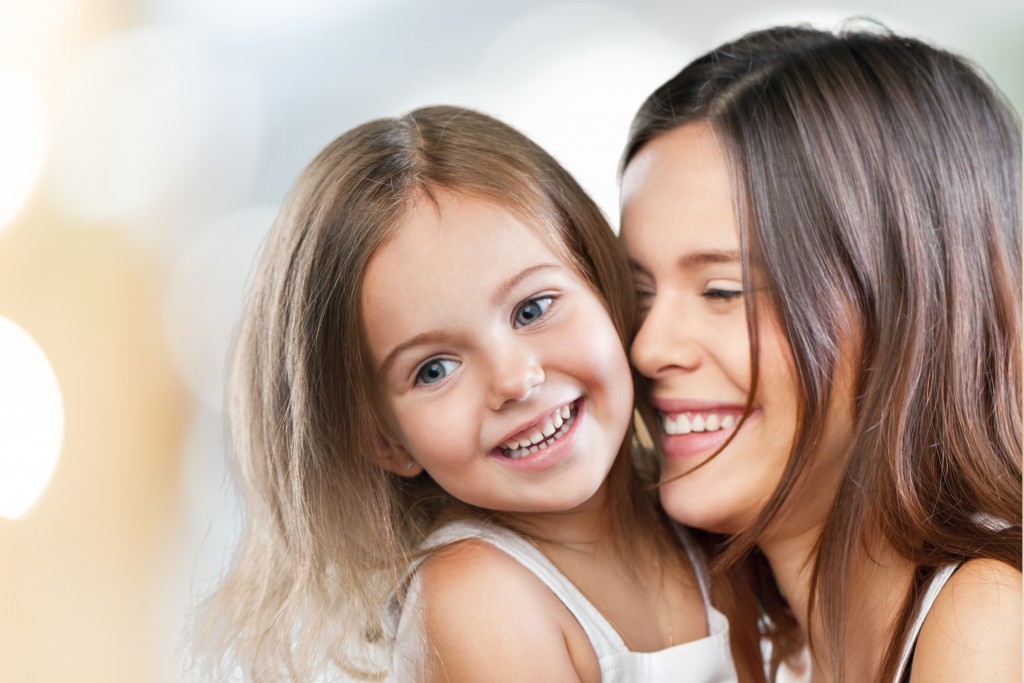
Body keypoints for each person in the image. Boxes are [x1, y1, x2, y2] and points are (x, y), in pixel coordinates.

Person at [196, 104, 743, 682]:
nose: (513, 380)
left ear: (604, 285)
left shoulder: (691, 508)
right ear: (385, 440)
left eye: (533, 309)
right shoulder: (477, 598)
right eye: (434, 369)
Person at [618, 24, 1022, 683]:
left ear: (904, 305)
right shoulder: (757, 645)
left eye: (723, 290)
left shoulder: (991, 615)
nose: (648, 346)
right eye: (638, 294)